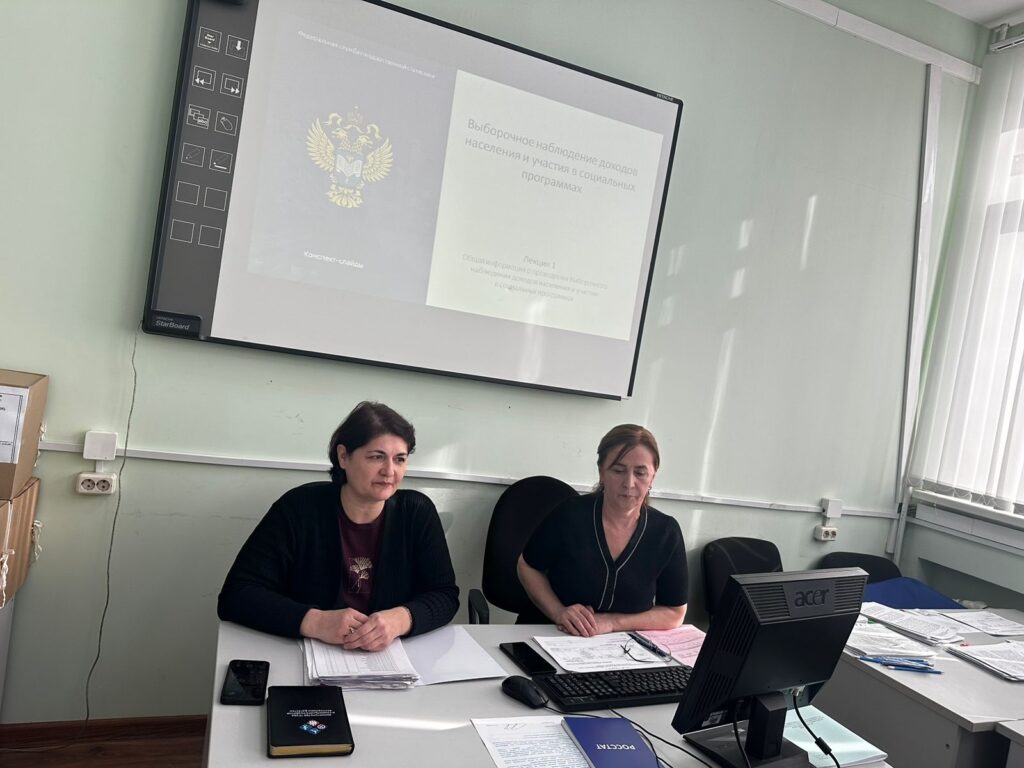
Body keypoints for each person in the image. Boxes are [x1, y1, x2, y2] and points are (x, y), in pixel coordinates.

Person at [217, 401, 459, 651]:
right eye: (377, 457)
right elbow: (237, 595)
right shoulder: (299, 509)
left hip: (391, 660)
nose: (390, 471)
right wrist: (315, 621)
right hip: (304, 655)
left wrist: (402, 619)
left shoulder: (417, 512)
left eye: (399, 459)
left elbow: (445, 595)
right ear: (343, 456)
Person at [517, 424, 687, 636]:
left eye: (640, 473)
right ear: (601, 472)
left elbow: (674, 612)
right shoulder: (570, 515)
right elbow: (527, 566)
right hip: (551, 633)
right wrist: (559, 612)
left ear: (652, 477)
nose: (629, 483)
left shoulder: (666, 532)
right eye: (618, 470)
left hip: (621, 646)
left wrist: (614, 622)